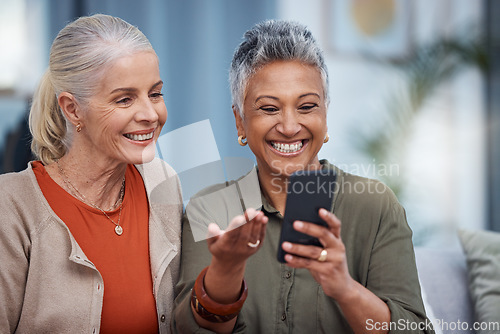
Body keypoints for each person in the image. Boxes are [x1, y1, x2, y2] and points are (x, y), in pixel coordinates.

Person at [172, 20, 434, 334]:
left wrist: (344, 288)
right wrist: (225, 272)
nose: (289, 126)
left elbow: (415, 330)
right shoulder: (210, 209)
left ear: (325, 114)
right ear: (239, 122)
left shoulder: (374, 206)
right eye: (269, 108)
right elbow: (185, 330)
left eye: (307, 106)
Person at [0, 14, 182, 333]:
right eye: (124, 99)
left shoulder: (163, 180)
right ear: (72, 109)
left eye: (155, 94)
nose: (151, 114)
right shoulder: (11, 206)